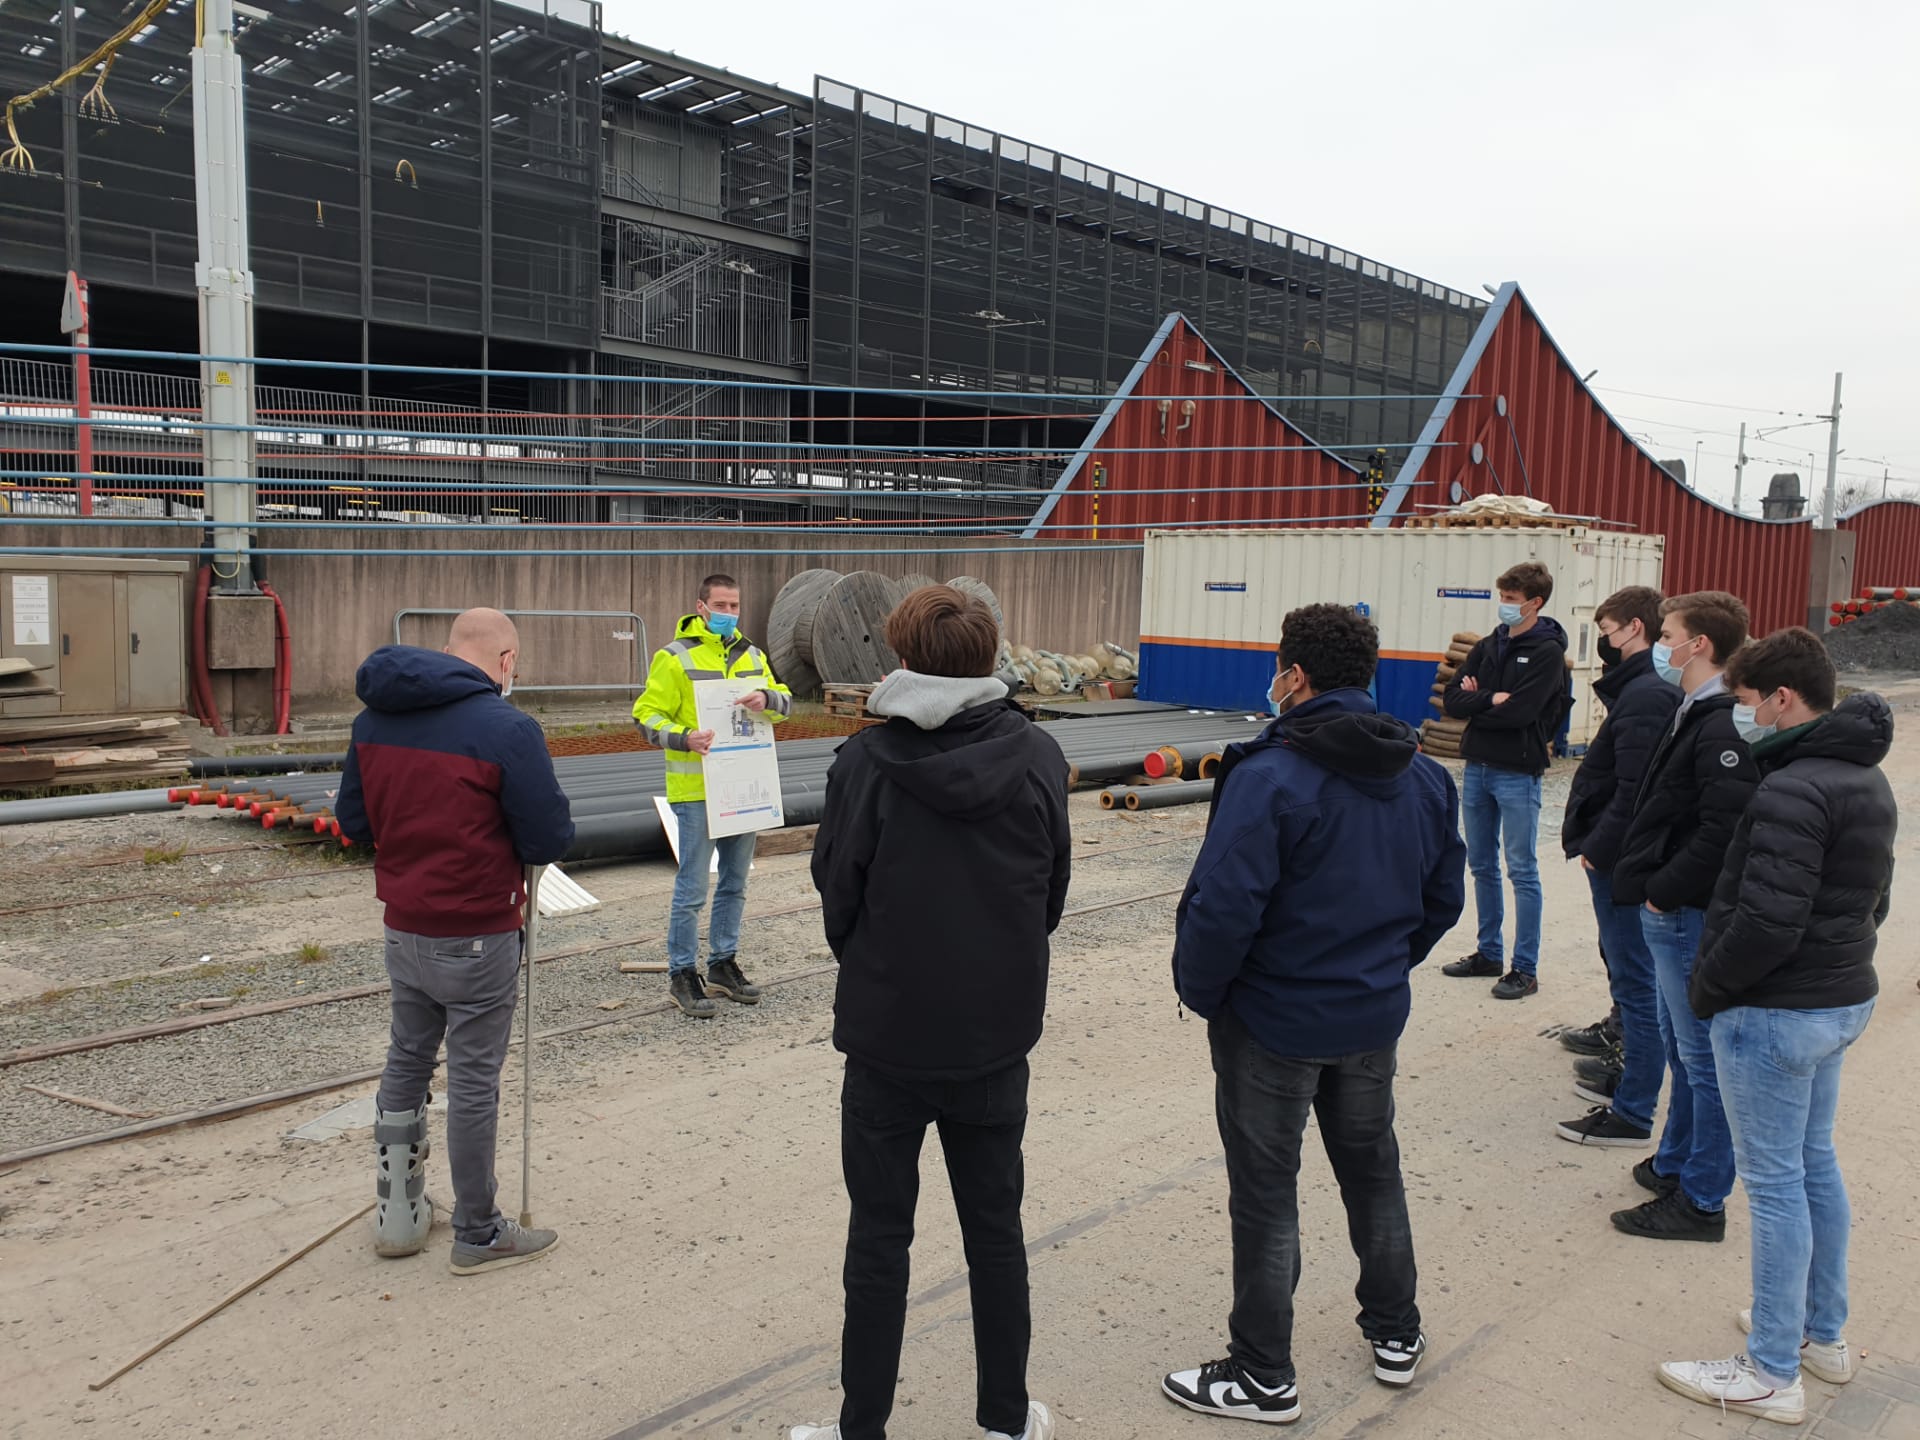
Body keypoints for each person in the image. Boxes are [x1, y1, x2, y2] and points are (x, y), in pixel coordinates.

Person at [1162, 604, 1466, 1426]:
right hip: (1369, 1016)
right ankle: (1395, 1331)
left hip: (1274, 1024)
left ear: (1294, 676)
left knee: (1266, 1194)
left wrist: (1206, 993)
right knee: (1373, 1173)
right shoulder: (1424, 775)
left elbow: (1224, 909)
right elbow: (1443, 898)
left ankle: (1263, 1373)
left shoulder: (1270, 776)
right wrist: (1382, 969)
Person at [794, 585, 1070, 1440]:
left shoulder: (864, 764)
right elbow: (1049, 893)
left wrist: (884, 965)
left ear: (902, 658)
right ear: (990, 658)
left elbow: (836, 892)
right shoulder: (1038, 756)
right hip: (993, 1037)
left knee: (879, 1239)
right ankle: (1004, 1420)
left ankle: (861, 1429)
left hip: (888, 1036)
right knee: (995, 1230)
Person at [1657, 629, 1894, 1424]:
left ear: (1782, 700)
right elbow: (1874, 900)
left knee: (1778, 1187)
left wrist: (1709, 987)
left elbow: (1766, 923)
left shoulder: (1791, 789)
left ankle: (1767, 1372)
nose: (1741, 718)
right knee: (1813, 1165)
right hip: (1837, 999)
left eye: (1748, 704)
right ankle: (1818, 1334)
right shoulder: (1863, 777)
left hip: (1777, 1012)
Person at [334, 608, 574, 1276]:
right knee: (473, 1080)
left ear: (447, 652)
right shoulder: (507, 729)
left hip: (403, 925)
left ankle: (400, 1215)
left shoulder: (372, 721)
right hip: (476, 932)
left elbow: (352, 822)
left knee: (407, 1058)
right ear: (505, 662)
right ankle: (477, 1231)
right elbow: (548, 838)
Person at [1609, 591, 1759, 1242]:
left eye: (1668, 633)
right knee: (1683, 1052)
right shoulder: (1695, 708)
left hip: (1685, 912)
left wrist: (1662, 891)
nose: (1660, 644)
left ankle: (1701, 1199)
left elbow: (1723, 829)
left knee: (1704, 1062)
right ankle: (1676, 1162)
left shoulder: (1723, 720)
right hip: (1671, 907)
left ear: (1699, 644)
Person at [632, 573, 792, 1018]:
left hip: (742, 786)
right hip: (697, 790)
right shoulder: (674, 657)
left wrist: (766, 697)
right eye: (719, 605)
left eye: (734, 606)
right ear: (700, 607)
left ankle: (722, 964)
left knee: (735, 883)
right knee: (692, 889)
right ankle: (682, 974)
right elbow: (646, 715)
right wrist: (685, 738)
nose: (728, 613)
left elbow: (786, 702)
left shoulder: (753, 655)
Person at [1554, 586, 1679, 1148]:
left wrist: (1598, 848)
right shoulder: (1640, 691)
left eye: (1605, 631)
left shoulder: (1647, 695)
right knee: (1633, 976)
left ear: (1633, 629)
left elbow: (1635, 791)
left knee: (1637, 981)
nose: (1602, 642)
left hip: (1622, 861)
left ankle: (1632, 1108)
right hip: (1620, 856)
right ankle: (1632, 1079)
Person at [1440, 563, 1570, 1000]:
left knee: (1522, 870)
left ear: (1534, 603)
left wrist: (1483, 702)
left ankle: (1525, 968)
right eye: (1503, 597)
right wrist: (1487, 699)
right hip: (1476, 766)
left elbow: (1523, 712)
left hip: (1518, 771)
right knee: (1480, 864)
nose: (1505, 606)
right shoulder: (1490, 644)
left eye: (1512, 600)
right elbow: (1453, 700)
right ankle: (1488, 952)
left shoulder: (1547, 652)